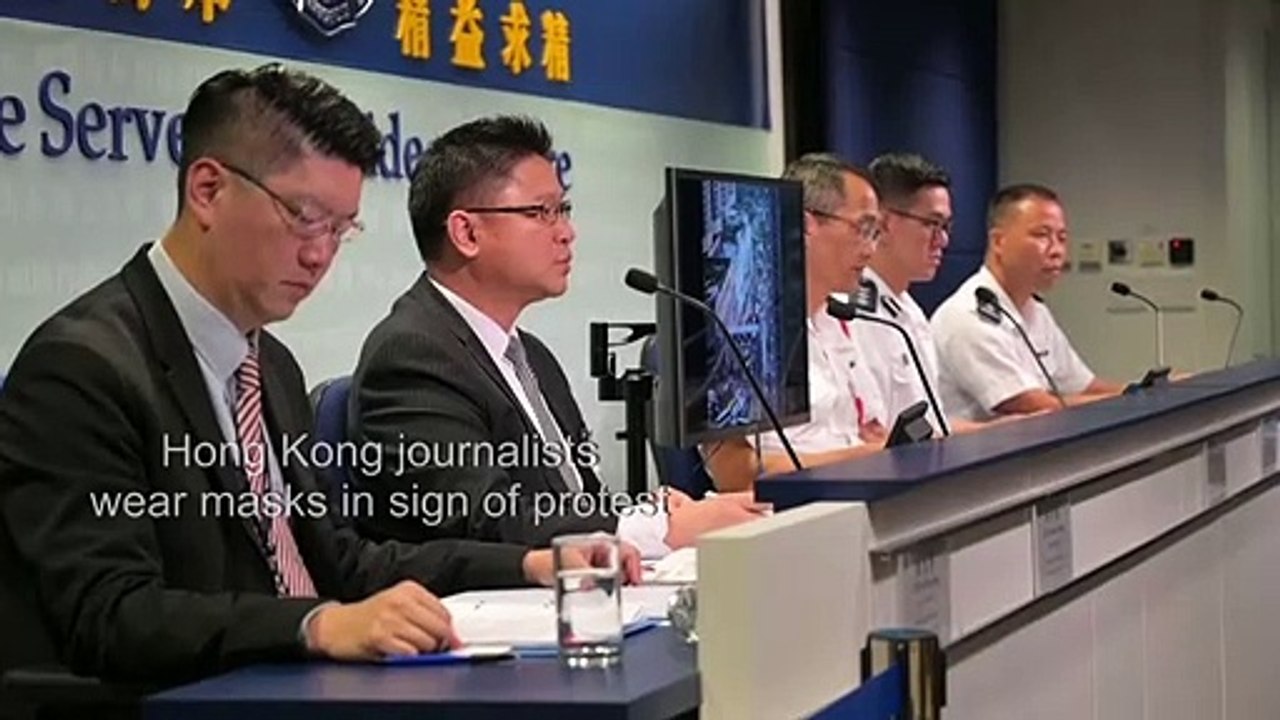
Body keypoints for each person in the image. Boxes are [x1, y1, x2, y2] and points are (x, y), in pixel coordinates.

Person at [0, 66, 577, 689]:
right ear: (207, 190)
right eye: (303, 216)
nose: (319, 253)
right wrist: (316, 625)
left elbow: (340, 559)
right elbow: (110, 614)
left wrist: (530, 561)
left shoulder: (270, 364)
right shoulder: (82, 369)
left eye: (340, 228)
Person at [348, 115, 763, 558]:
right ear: (466, 233)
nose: (566, 232)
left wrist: (655, 510)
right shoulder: (412, 356)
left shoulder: (532, 356)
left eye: (563, 210)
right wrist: (660, 530)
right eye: (540, 212)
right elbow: (487, 519)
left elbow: (580, 501)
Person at [703, 153, 888, 492]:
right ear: (805, 225)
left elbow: (870, 433)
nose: (870, 249)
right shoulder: (739, 325)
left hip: (853, 500)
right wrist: (866, 457)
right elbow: (733, 473)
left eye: (876, 233)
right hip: (782, 516)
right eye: (863, 229)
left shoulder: (839, 320)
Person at [931, 184, 1124, 420]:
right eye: (1042, 235)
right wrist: (1129, 403)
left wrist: (1145, 392)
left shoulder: (1036, 310)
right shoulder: (967, 316)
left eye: (1062, 238)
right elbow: (1036, 408)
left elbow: (1083, 386)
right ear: (999, 241)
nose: (1057, 251)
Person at [855, 152, 956, 433]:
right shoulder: (855, 315)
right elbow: (875, 437)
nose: (943, 240)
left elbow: (933, 428)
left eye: (946, 226)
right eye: (932, 224)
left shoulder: (908, 309)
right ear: (883, 224)